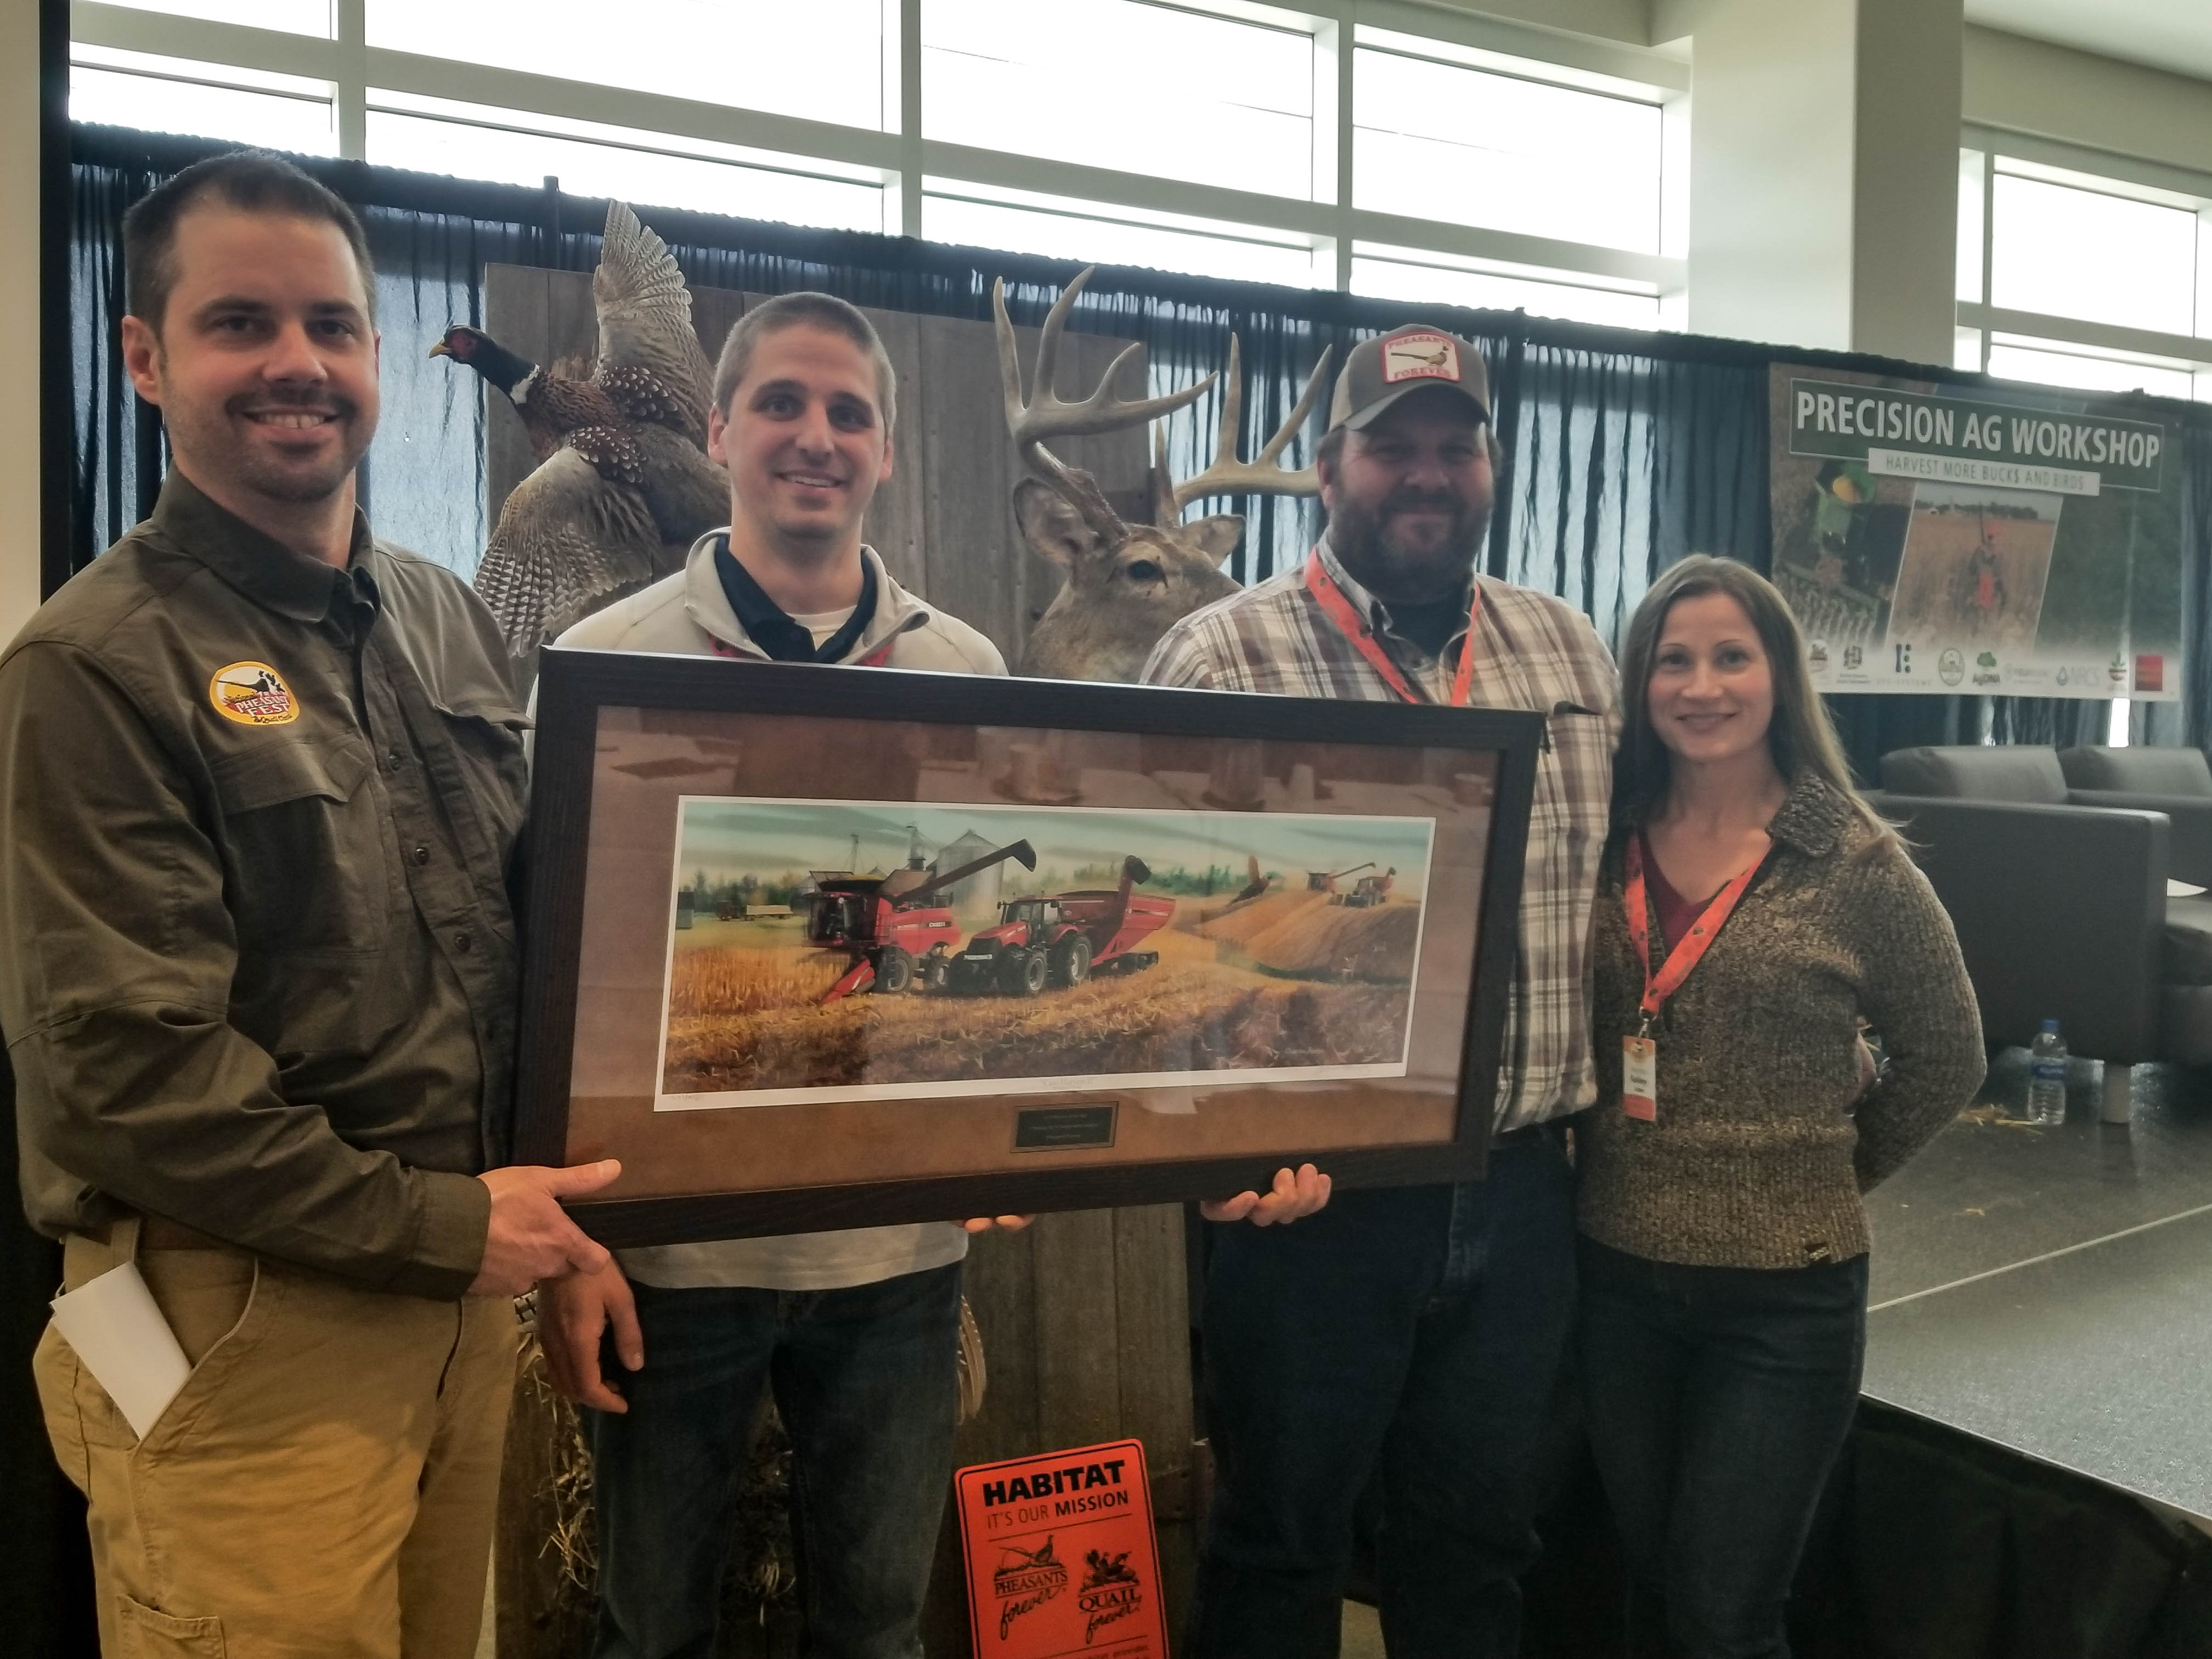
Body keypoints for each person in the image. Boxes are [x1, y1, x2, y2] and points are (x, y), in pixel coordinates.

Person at [539, 291, 1329, 1659]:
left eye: (849, 412)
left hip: (895, 1264)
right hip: (670, 1254)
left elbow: (997, 944)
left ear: (885, 449)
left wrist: (1011, 1140)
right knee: (648, 1627)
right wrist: (565, 1245)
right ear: (722, 427)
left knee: (880, 1626)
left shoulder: (965, 670)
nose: (815, 437)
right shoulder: (605, 664)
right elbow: (556, 970)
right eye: (782, 403)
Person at [1, 150, 620, 1659]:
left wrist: (564, 1228)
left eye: (335, 328)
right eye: (241, 325)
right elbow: (130, 1082)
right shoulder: (96, 666)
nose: (299, 365)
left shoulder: (439, 613)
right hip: (247, 1322)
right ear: (145, 356)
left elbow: (531, 947)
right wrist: (451, 1227)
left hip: (460, 1294)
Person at [1143, 324, 1619, 1657]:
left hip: (1524, 1188)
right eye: (1390, 447)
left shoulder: (1570, 655)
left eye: (1453, 446)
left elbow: (1617, 896)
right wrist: (1200, 1146)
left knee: (1479, 1548)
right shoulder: (1220, 660)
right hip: (1313, 1203)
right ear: (1333, 471)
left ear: (1491, 465)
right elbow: (1162, 948)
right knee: (1282, 1543)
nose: (1426, 474)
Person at [1576, 555, 1984, 1658]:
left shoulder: (1853, 858)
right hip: (1614, 1277)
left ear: (1778, 677)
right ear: (1642, 683)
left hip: (1783, 1303)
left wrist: (1821, 1176)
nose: (1701, 686)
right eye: (1674, 661)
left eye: (1731, 657)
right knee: (1649, 1590)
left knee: (1723, 1613)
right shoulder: (1600, 840)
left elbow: (1949, 1057)